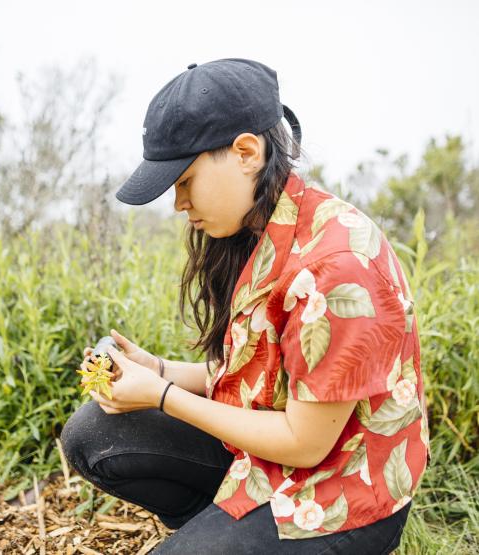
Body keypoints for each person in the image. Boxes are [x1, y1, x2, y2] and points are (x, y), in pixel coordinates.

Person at [60, 58, 431, 554]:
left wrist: (162, 395)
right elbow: (262, 373)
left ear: (246, 152)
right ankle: (221, 529)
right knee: (91, 433)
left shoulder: (336, 266)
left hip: (338, 492)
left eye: (185, 181)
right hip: (263, 461)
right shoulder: (260, 228)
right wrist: (159, 370)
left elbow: (305, 443)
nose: (178, 203)